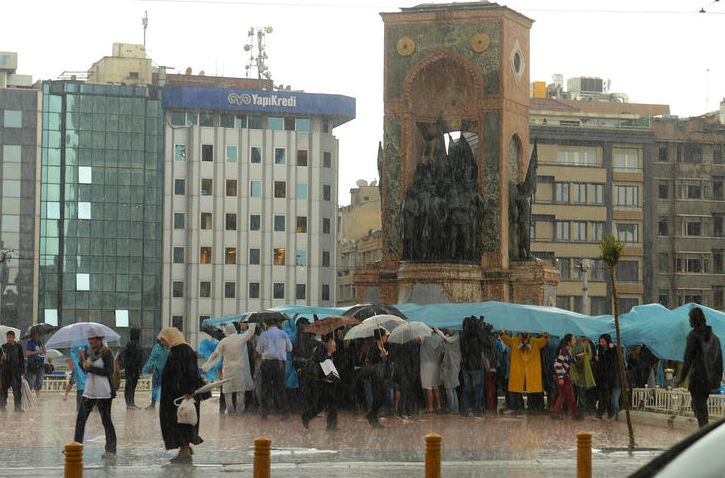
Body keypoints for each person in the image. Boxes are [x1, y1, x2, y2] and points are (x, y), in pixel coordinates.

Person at [158, 327, 204, 464]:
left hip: (182, 396)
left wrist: (189, 391)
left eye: (163, 340)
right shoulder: (176, 350)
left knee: (181, 423)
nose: (162, 343)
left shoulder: (184, 350)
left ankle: (185, 454)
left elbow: (191, 372)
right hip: (175, 396)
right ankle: (184, 450)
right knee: (179, 422)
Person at [73, 326, 117, 459]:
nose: (91, 341)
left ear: (99, 339)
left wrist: (90, 368)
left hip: (103, 391)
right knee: (81, 419)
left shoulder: (106, 352)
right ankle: (76, 446)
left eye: (93, 338)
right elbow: (86, 371)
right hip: (89, 391)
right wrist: (81, 362)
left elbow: (108, 371)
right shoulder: (87, 351)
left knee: (106, 420)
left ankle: (111, 449)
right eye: (89, 338)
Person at [678, 307, 724, 427]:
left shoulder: (693, 336)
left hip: (698, 378)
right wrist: (717, 379)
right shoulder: (714, 338)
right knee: (701, 404)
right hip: (709, 380)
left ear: (693, 320)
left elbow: (688, 358)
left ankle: (704, 432)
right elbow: (719, 361)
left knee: (697, 405)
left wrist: (681, 377)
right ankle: (704, 428)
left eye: (690, 319)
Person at [202, 323, 256, 415]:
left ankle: (230, 411)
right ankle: (240, 411)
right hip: (240, 370)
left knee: (228, 392)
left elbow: (216, 355)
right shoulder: (241, 338)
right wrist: (252, 323)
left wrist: (206, 367)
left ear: (226, 331)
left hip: (228, 370)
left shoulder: (224, 341)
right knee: (240, 391)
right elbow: (250, 332)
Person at [501, 331, 549, 413]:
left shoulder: (534, 341)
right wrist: (502, 334)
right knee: (519, 387)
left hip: (531, 369)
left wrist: (545, 337)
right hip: (522, 368)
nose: (524, 333)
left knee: (532, 388)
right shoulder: (515, 341)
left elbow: (543, 342)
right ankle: (523, 407)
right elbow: (506, 340)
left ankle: (531, 407)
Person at [256, 319, 292, 420]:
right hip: (280, 364)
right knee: (280, 388)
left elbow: (258, 350)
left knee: (265, 388)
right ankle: (285, 413)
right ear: (277, 323)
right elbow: (290, 349)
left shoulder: (264, 334)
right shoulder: (283, 333)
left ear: (267, 324)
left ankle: (264, 414)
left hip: (267, 364)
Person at [301, 333, 339, 430]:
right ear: (330, 339)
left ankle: (331, 425)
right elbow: (322, 361)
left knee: (330, 403)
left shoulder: (324, 347)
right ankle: (307, 416)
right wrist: (330, 353)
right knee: (323, 404)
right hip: (323, 381)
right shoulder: (321, 348)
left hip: (327, 380)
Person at [550, 334, 582, 421]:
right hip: (562, 376)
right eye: (574, 339)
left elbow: (568, 361)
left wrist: (577, 357)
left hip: (561, 375)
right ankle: (574, 414)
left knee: (562, 395)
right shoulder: (564, 351)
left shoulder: (566, 350)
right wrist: (560, 377)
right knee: (570, 395)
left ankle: (555, 414)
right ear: (569, 342)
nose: (575, 341)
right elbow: (558, 365)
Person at [459, 317, 485, 417]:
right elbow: (488, 344)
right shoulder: (477, 336)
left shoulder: (463, 336)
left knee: (466, 389)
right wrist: (481, 330)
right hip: (477, 366)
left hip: (466, 366)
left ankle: (464, 410)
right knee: (478, 389)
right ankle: (477, 411)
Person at [362, 328, 388, 428]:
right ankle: (374, 420)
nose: (386, 337)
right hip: (375, 376)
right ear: (381, 337)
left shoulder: (381, 347)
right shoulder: (373, 347)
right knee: (377, 398)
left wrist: (385, 355)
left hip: (381, 376)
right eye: (385, 335)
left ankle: (371, 414)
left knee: (384, 397)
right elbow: (372, 360)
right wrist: (380, 356)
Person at [434, 327, 461, 414]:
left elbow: (447, 340)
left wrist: (437, 330)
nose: (447, 329)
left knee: (449, 388)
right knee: (451, 388)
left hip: (453, 366)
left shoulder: (456, 337)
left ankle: (452, 408)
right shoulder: (449, 336)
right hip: (447, 366)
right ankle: (454, 409)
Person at [593, 333, 620, 421]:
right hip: (601, 376)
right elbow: (599, 361)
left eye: (603, 342)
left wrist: (610, 350)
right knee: (602, 396)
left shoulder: (612, 349)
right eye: (600, 341)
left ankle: (609, 412)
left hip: (610, 377)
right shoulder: (599, 349)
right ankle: (600, 414)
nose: (601, 343)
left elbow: (612, 360)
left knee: (607, 396)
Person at [118, 327, 144, 410]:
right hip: (131, 369)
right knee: (130, 386)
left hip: (134, 369)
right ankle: (129, 404)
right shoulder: (131, 344)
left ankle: (131, 403)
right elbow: (128, 357)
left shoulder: (134, 343)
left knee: (132, 386)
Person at [569, 336, 596, 415]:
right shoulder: (574, 347)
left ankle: (580, 409)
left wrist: (586, 350)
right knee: (578, 392)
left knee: (580, 392)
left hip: (581, 372)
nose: (577, 338)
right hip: (576, 372)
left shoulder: (585, 345)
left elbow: (589, 357)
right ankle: (578, 409)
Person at [419, 331, 443, 413]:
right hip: (436, 364)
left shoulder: (424, 337)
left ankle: (430, 408)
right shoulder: (439, 338)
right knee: (436, 387)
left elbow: (417, 339)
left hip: (426, 365)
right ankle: (439, 406)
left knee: (428, 388)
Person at [1, 330, 25, 412]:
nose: (8, 339)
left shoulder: (18, 347)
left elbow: (21, 359)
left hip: (16, 372)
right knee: (3, 391)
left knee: (17, 391)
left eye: (10, 337)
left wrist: (23, 371)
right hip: (5, 372)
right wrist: (2, 358)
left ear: (14, 337)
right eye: (7, 337)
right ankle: (2, 406)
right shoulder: (3, 347)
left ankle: (17, 407)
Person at [141, 339, 169, 410]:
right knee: (157, 388)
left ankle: (156, 405)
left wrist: (145, 370)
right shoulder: (161, 348)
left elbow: (151, 360)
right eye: (162, 340)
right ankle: (154, 405)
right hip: (161, 371)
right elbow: (151, 359)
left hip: (164, 371)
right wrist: (145, 369)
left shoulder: (164, 348)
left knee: (159, 388)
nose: (163, 342)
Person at [25, 331, 46, 399]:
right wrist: (38, 351)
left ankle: (38, 397)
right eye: (35, 334)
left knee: (39, 380)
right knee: (30, 381)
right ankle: (28, 397)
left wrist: (44, 350)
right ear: (32, 335)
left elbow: (44, 353)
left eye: (38, 334)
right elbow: (27, 353)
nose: (37, 336)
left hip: (40, 363)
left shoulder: (40, 343)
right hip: (32, 364)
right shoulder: (29, 343)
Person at [69, 346, 87, 411]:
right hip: (81, 386)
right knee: (80, 408)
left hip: (89, 387)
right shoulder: (75, 345)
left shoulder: (87, 346)